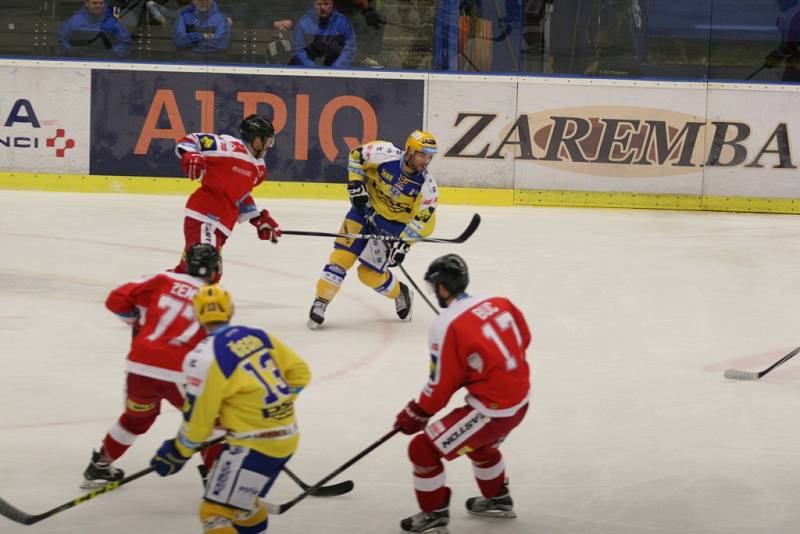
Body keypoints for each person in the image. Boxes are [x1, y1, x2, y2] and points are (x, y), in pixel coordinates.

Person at [150, 284, 311, 534]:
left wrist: (178, 451)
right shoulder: (257, 334)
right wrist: (275, 407)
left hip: (253, 446)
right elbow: (301, 373)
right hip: (287, 436)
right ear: (231, 310)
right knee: (242, 509)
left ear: (196, 315)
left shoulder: (202, 357)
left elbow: (198, 422)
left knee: (214, 513)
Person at [393, 254, 532, 533]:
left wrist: (416, 413)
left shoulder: (447, 325)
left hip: (492, 410)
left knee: (422, 450)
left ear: (442, 288)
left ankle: (433, 515)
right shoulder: (499, 302)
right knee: (481, 446)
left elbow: (441, 384)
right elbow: (523, 338)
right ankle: (497, 498)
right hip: (520, 400)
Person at [80, 244, 222, 489]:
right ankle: (217, 480)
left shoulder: (162, 278)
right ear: (215, 270)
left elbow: (115, 300)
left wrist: (136, 321)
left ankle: (99, 466)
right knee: (212, 420)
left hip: (139, 367)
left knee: (136, 419)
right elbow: (215, 343)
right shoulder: (214, 297)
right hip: (179, 370)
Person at [306, 130, 439, 329]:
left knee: (368, 275)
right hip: (364, 211)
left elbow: (425, 222)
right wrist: (356, 184)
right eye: (422, 155)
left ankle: (400, 291)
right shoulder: (384, 153)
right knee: (341, 258)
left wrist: (403, 244)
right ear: (410, 150)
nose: (426, 161)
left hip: (392, 226)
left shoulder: (427, 187)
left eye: (429, 157)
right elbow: (356, 155)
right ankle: (321, 302)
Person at [173, 114, 281, 275]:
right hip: (204, 218)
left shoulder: (259, 169)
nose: (268, 146)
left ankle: (152, 294)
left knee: (188, 272)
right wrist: (190, 155)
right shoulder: (228, 147)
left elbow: (240, 196)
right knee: (205, 270)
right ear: (257, 140)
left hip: (222, 226)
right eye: (267, 141)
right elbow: (190, 140)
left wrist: (257, 219)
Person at [289, 0, 357, 68]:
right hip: (308, 67)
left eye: (326, 4)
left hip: (335, 65)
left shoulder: (342, 22)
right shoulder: (304, 22)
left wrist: (335, 69)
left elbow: (349, 49)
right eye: (318, 4)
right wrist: (311, 69)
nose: (322, 7)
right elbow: (297, 49)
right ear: (313, 5)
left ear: (332, 4)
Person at [58, 0, 132, 59]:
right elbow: (62, 37)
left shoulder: (112, 21)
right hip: (79, 61)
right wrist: (70, 51)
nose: (98, 6)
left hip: (105, 63)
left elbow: (125, 41)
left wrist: (112, 54)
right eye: (94, 3)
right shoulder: (75, 20)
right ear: (87, 4)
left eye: (101, 3)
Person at [334, 0, 387, 67]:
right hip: (342, 11)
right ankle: (355, 56)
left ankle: (365, 55)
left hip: (359, 10)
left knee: (380, 17)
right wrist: (366, 9)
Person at [765, 0, 800, 82]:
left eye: (780, 1)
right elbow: (789, 45)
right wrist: (779, 54)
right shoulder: (791, 15)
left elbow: (790, 45)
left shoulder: (792, 16)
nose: (779, 4)